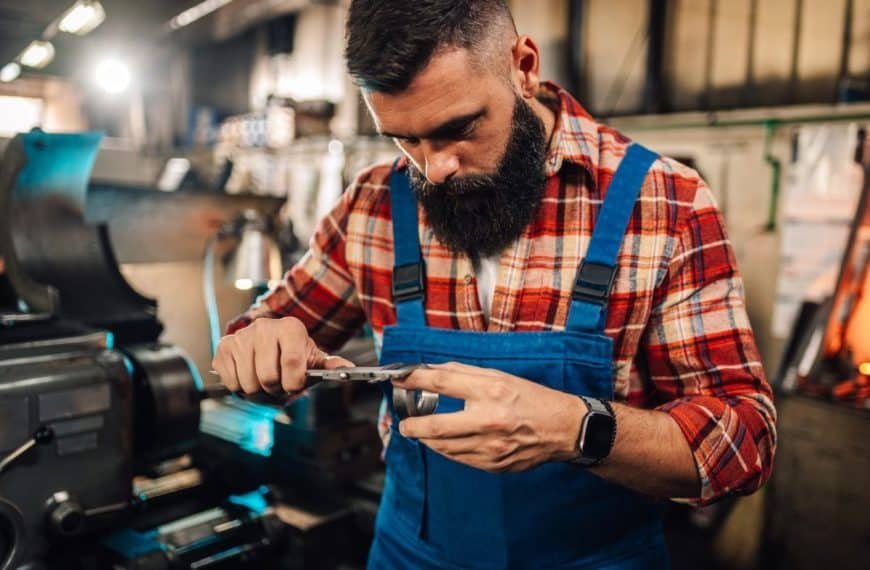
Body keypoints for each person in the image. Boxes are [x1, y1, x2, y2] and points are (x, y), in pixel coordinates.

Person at [212, 1, 777, 567]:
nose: (433, 169)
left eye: (457, 128)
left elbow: (746, 440)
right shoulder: (374, 204)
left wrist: (579, 428)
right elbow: (268, 327)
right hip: (414, 554)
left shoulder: (664, 203)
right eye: (403, 139)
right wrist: (256, 344)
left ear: (523, 66)